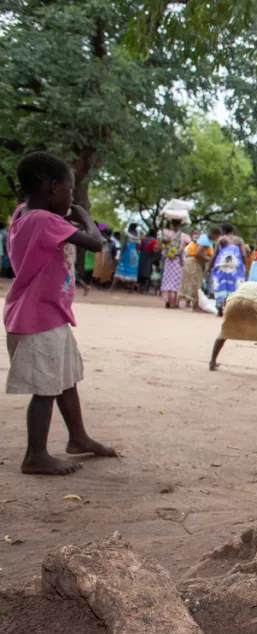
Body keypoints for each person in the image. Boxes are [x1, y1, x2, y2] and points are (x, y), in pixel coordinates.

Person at [4, 152, 117, 475]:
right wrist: (85, 216)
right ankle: (34, 455)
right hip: (37, 319)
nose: (72, 197)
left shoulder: (23, 214)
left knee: (64, 380)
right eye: (69, 189)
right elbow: (95, 243)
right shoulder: (44, 220)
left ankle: (78, 437)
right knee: (47, 388)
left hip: (48, 315)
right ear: (52, 187)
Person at [211, 222, 247, 314]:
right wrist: (245, 267)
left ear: (223, 230)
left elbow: (214, 255)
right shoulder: (239, 240)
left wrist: (208, 268)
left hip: (221, 268)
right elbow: (243, 254)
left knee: (221, 287)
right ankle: (233, 310)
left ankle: (220, 309)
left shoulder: (220, 240)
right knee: (235, 287)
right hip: (235, 268)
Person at [181, 225, 218, 311]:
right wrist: (210, 259)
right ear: (214, 234)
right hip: (194, 263)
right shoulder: (205, 240)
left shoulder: (205, 239)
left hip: (193, 262)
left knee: (192, 284)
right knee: (196, 285)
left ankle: (187, 303)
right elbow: (198, 254)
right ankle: (195, 306)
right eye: (217, 236)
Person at [160, 219, 189, 308]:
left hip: (169, 260)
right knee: (177, 281)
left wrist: (164, 218)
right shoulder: (184, 236)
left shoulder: (168, 234)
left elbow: (161, 229)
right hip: (179, 260)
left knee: (169, 281)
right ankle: (175, 302)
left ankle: (169, 301)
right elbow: (188, 246)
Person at [113, 224, 140, 291]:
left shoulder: (127, 235)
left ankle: (112, 288)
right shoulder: (137, 235)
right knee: (133, 270)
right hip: (134, 255)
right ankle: (131, 289)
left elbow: (124, 245)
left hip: (127, 254)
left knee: (120, 269)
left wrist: (121, 254)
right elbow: (137, 247)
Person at [137, 228, 159, 294]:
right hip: (149, 256)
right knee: (147, 272)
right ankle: (145, 289)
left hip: (142, 256)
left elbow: (139, 247)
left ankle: (140, 288)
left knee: (141, 271)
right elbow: (154, 249)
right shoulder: (154, 241)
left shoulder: (144, 239)